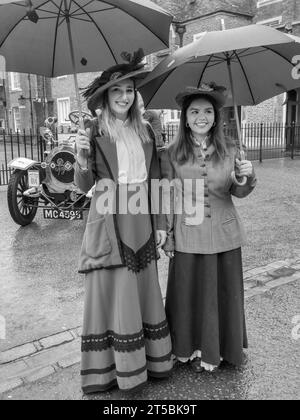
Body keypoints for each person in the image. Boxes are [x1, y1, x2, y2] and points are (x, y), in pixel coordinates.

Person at [75, 50, 173, 394]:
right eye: (116, 91)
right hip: (108, 218)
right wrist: (83, 159)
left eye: (129, 90)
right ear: (105, 97)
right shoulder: (93, 132)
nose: (123, 96)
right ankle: (112, 372)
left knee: (143, 291)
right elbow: (84, 187)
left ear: (136, 95)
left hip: (141, 218)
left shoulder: (146, 131)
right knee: (114, 293)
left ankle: (150, 363)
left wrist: (161, 224)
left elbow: (158, 181)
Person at [160, 84, 257, 373]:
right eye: (194, 111)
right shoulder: (171, 153)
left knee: (225, 295)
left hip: (225, 235)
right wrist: (167, 233)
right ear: (185, 118)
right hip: (188, 234)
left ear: (215, 117)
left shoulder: (232, 149)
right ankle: (188, 349)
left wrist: (246, 177)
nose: (201, 116)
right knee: (188, 295)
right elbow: (167, 195)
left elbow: (238, 193)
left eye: (207, 111)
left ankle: (224, 349)